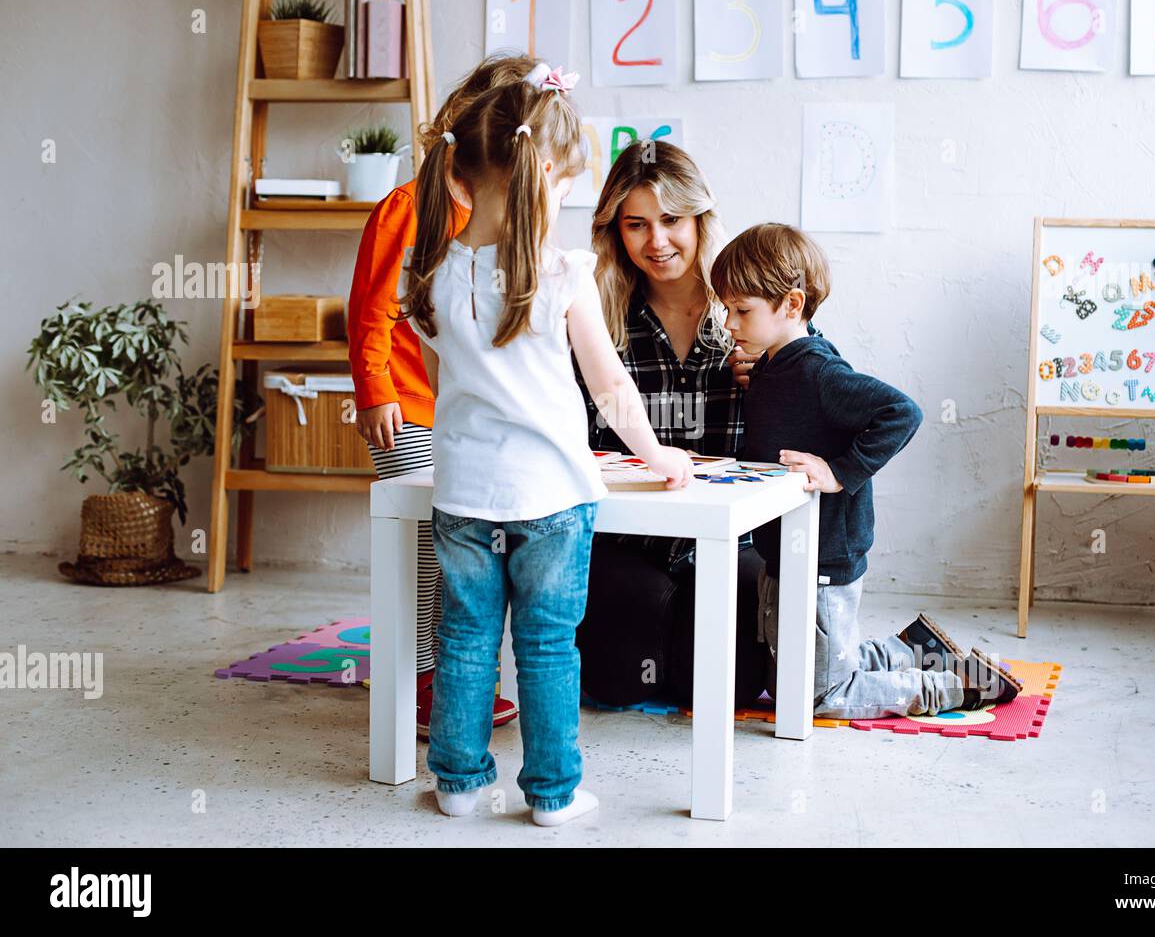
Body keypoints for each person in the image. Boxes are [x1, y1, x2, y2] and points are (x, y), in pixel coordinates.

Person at [398, 70, 693, 824]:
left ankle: (459, 785)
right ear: (549, 175)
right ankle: (553, 795)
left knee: (463, 639)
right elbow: (612, 390)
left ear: (460, 170)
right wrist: (658, 455)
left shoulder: (428, 272)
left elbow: (452, 378)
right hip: (554, 497)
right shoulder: (564, 274)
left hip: (463, 491)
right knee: (548, 645)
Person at [710, 223, 1022, 718]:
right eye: (726, 308)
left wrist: (839, 472)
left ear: (792, 305)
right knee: (790, 675)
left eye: (741, 310)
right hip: (782, 552)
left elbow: (903, 413)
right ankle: (915, 647)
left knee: (818, 695)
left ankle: (958, 685)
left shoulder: (819, 373)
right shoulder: (774, 364)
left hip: (823, 562)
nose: (728, 322)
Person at [347, 53, 537, 739]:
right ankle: (424, 683)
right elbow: (372, 308)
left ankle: (437, 674)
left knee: (455, 550)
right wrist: (373, 391)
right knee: (430, 548)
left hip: (460, 409)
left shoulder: (503, 212)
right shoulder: (409, 207)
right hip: (404, 403)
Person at [576, 140, 772, 710]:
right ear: (616, 230)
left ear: (699, 219)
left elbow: (822, 381)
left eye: (671, 220)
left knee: (722, 686)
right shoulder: (593, 313)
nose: (656, 242)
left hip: (731, 534)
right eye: (636, 224)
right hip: (625, 532)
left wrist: (771, 374)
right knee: (614, 685)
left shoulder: (748, 304)